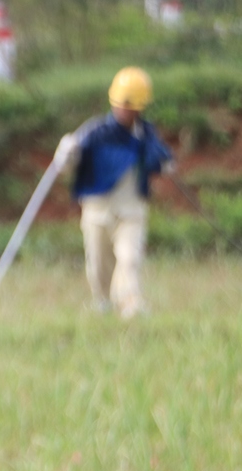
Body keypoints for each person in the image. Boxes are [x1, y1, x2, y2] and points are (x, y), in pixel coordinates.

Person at [54, 66, 174, 319]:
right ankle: (102, 303)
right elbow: (68, 165)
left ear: (141, 107)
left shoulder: (146, 135)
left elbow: (162, 159)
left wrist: (164, 163)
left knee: (129, 259)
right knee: (99, 265)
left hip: (131, 210)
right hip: (97, 210)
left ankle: (131, 304)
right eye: (122, 105)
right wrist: (66, 152)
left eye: (131, 106)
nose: (126, 110)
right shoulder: (94, 132)